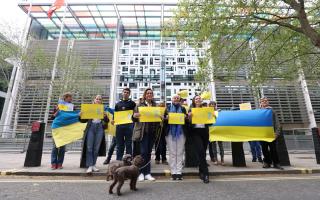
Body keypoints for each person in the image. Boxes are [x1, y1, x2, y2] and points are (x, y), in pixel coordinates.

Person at [132, 88, 160, 181]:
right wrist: (134, 116)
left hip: (152, 132)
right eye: (147, 93)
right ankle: (140, 173)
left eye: (151, 93)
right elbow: (134, 118)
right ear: (145, 95)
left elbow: (159, 119)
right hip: (143, 132)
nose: (149, 94)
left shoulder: (155, 105)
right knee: (143, 153)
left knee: (148, 153)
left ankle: (147, 173)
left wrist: (161, 117)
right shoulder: (139, 104)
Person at [80, 95, 108, 173]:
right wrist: (81, 116)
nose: (98, 100)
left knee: (96, 148)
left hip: (100, 128)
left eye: (100, 99)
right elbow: (83, 120)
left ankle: (93, 164)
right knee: (89, 147)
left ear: (101, 101)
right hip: (91, 127)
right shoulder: (89, 108)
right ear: (94, 100)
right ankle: (90, 165)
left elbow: (107, 121)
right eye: (97, 99)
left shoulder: (103, 109)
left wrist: (105, 116)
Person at [164, 95, 187, 180]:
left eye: (178, 98)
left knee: (180, 152)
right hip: (170, 133)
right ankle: (173, 172)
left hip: (181, 133)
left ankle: (179, 172)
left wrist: (186, 117)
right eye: (175, 98)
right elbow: (163, 120)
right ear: (172, 99)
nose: (176, 99)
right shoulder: (167, 108)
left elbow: (187, 120)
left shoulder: (183, 109)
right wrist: (165, 118)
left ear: (180, 100)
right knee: (172, 153)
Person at [188, 95, 210, 183]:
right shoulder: (191, 110)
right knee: (200, 151)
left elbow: (210, 121)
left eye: (199, 98)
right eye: (196, 99)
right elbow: (188, 123)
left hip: (204, 132)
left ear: (201, 100)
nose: (198, 100)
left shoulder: (206, 109)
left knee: (203, 152)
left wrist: (213, 117)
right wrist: (189, 117)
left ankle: (201, 171)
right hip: (195, 132)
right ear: (194, 101)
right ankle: (206, 174)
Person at [259, 97, 283, 170]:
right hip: (262, 134)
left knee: (273, 149)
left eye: (266, 101)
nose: (265, 102)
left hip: (272, 133)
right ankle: (267, 163)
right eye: (263, 101)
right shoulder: (258, 111)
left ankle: (276, 163)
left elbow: (277, 123)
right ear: (260, 103)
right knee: (264, 149)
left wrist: (277, 133)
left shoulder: (272, 111)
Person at [50, 92, 73, 170]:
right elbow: (52, 117)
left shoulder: (72, 107)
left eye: (71, 97)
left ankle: (60, 163)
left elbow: (74, 116)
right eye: (69, 97)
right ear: (65, 98)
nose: (71, 99)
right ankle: (53, 163)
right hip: (56, 128)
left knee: (62, 147)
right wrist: (57, 110)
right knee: (55, 146)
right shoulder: (58, 106)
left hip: (65, 128)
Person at [114, 88, 136, 160]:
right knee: (119, 145)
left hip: (129, 126)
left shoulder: (133, 103)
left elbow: (135, 115)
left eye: (127, 92)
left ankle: (129, 160)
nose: (126, 93)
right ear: (122, 93)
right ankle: (119, 161)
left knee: (129, 144)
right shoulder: (117, 104)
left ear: (129, 94)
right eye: (124, 92)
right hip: (119, 127)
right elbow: (115, 116)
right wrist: (113, 120)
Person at [208, 101, 224, 165]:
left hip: (219, 130)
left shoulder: (219, 111)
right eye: (211, 105)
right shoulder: (208, 112)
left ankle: (222, 159)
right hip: (212, 130)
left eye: (213, 105)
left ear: (215, 105)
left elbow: (222, 119)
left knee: (220, 145)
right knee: (213, 146)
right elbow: (208, 120)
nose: (212, 106)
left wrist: (219, 113)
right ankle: (216, 159)